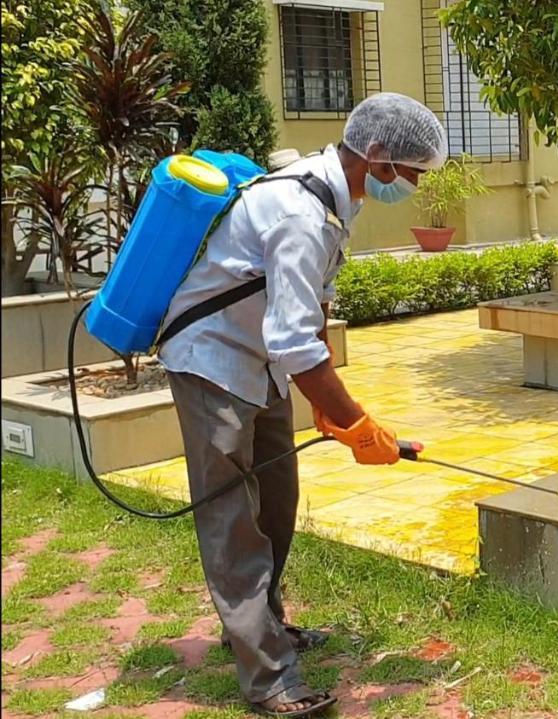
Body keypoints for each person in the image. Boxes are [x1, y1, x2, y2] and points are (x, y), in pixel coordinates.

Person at [157, 92, 445, 717]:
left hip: (258, 361)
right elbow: (289, 337)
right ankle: (269, 680)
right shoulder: (300, 211)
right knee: (233, 521)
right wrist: (354, 420)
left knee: (277, 502)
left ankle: (268, 626)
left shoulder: (338, 200)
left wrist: (325, 404)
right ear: (376, 156)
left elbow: (306, 312)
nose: (415, 187)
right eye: (414, 173)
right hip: (211, 360)